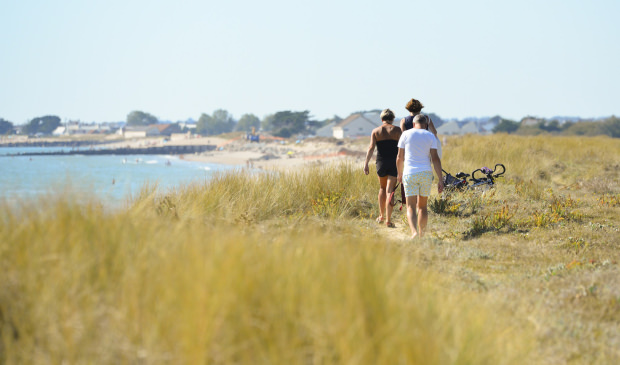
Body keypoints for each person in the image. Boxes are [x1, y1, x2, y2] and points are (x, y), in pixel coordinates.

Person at [397, 114, 444, 239]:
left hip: (409, 173)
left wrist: (399, 173)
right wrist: (441, 179)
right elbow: (435, 158)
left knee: (411, 206)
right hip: (425, 173)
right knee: (422, 207)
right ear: (426, 125)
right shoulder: (430, 136)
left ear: (413, 124)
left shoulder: (405, 134)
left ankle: (414, 232)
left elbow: (399, 157)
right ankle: (422, 235)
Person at [363, 109, 402, 228]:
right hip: (394, 162)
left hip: (381, 162)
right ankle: (388, 220)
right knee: (390, 190)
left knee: (382, 188)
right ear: (393, 119)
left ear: (381, 119)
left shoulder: (376, 131)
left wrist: (366, 163)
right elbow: (402, 148)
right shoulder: (397, 130)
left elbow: (371, 148)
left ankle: (381, 216)